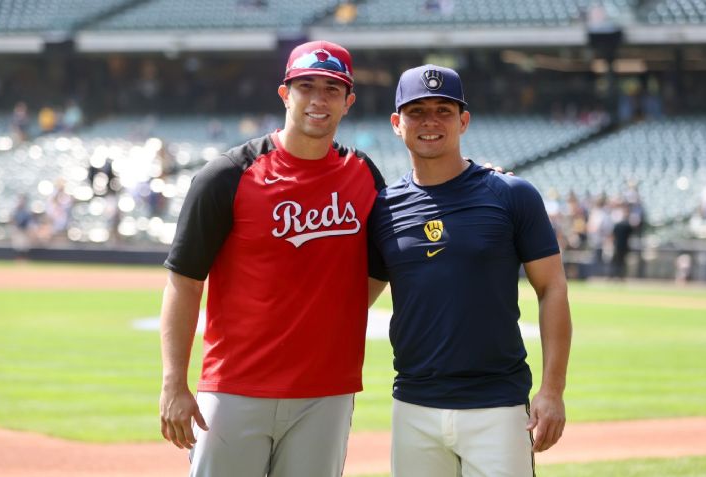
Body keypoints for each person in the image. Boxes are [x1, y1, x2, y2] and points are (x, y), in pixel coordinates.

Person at [159, 41, 385, 477]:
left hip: (327, 392)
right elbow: (184, 281)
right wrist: (174, 381)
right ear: (285, 94)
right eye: (306, 86)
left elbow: (379, 269)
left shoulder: (364, 176)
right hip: (234, 388)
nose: (318, 100)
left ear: (348, 101)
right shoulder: (226, 176)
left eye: (332, 89)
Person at [367, 65, 572, 477]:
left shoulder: (512, 195)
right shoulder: (382, 209)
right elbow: (352, 303)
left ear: (464, 120)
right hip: (414, 405)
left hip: (497, 404)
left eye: (444, 110)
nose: (430, 121)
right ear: (396, 123)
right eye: (417, 111)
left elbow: (551, 288)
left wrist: (552, 391)